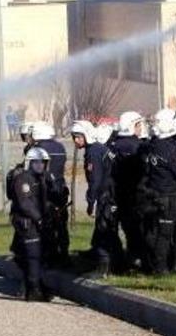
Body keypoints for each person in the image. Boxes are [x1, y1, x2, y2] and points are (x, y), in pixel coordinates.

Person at [141, 109, 176, 274]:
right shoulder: (170, 149)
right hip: (167, 195)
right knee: (164, 233)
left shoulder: (152, 145)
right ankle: (161, 267)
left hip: (158, 193)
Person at [73, 120, 120, 276]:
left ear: (87, 136)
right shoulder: (98, 149)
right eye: (74, 137)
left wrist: (91, 201)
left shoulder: (93, 152)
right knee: (108, 230)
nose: (75, 140)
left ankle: (103, 268)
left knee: (104, 229)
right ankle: (118, 263)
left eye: (78, 137)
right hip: (112, 193)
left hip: (107, 195)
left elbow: (95, 180)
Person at [9, 147, 52, 302]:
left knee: (38, 256)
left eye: (43, 162)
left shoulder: (42, 178)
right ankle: (33, 290)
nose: (40, 165)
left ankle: (35, 285)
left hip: (39, 222)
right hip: (27, 223)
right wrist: (38, 218)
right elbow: (25, 203)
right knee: (33, 256)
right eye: (37, 162)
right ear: (30, 163)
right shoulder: (23, 179)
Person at [110, 111, 146, 267]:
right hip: (134, 193)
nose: (140, 128)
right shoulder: (137, 146)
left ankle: (128, 256)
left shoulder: (114, 145)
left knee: (126, 227)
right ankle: (137, 257)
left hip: (118, 192)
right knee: (136, 228)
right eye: (138, 125)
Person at [31, 121, 69, 265]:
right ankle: (64, 254)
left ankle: (49, 255)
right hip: (60, 187)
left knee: (46, 224)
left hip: (45, 190)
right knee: (61, 223)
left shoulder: (39, 149)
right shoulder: (60, 146)